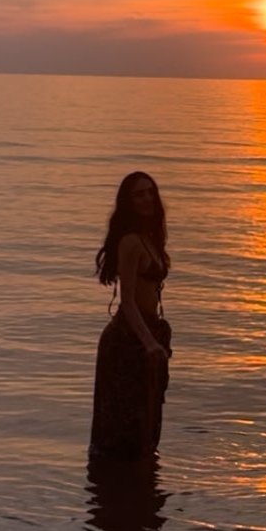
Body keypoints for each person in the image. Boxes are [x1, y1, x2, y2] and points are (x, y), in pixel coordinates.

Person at [89, 171, 172, 462]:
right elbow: (128, 303)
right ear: (128, 202)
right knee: (122, 423)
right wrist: (149, 343)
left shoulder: (150, 238)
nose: (147, 198)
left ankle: (135, 494)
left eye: (151, 192)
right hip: (126, 339)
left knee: (145, 418)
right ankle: (115, 492)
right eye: (139, 194)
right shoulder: (130, 242)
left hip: (145, 333)